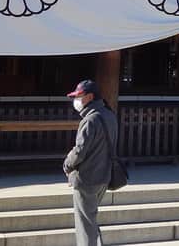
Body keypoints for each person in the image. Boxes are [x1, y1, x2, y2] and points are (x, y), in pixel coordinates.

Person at [63, 80, 118, 246]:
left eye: (79, 97)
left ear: (90, 97)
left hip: (87, 178)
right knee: (91, 219)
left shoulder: (90, 120)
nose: (76, 101)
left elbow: (80, 150)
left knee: (85, 224)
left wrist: (67, 164)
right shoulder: (109, 115)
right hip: (104, 176)